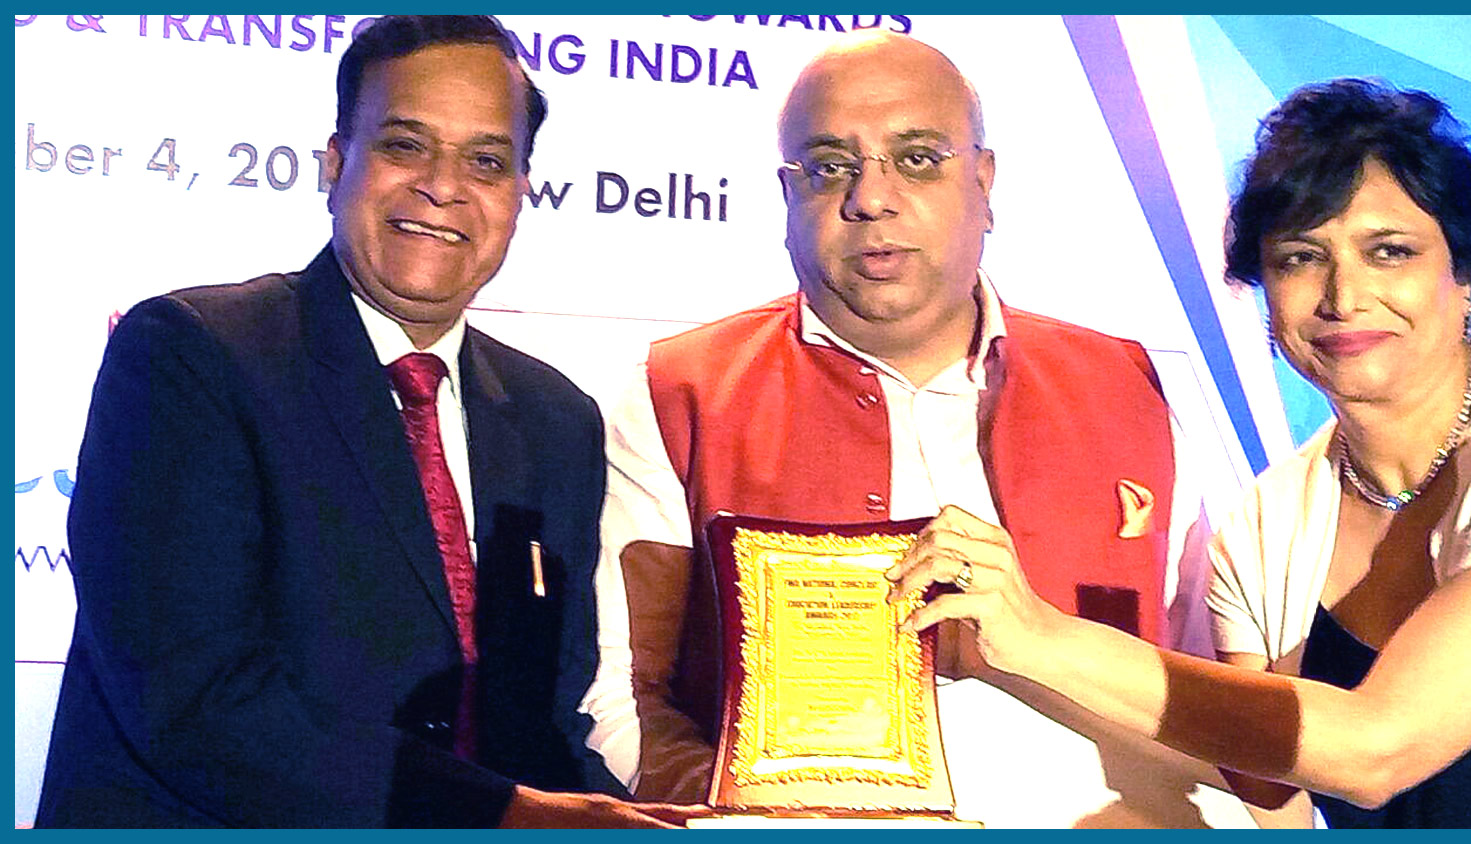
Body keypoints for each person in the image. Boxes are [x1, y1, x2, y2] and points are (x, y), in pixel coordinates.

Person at [35, 15, 703, 828]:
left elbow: (544, 720)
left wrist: (662, 821)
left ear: (521, 193)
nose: (443, 186)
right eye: (405, 145)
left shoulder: (554, 420)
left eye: (487, 161)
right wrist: (508, 815)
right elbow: (195, 700)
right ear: (334, 163)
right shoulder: (193, 356)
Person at [580, 31, 1227, 825]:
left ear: (983, 184)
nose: (872, 198)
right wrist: (746, 822)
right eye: (830, 167)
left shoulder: (1128, 388)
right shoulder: (682, 392)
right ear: (787, 197)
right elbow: (624, 696)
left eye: (918, 159)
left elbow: (1217, 698)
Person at [889, 78, 1471, 829]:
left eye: (1390, 252)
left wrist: (1040, 634)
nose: (1344, 296)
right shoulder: (1263, 527)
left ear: (1464, 275)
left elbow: (1376, 751)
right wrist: (987, 656)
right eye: (1300, 258)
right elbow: (1266, 786)